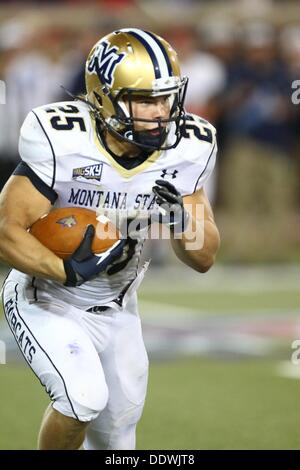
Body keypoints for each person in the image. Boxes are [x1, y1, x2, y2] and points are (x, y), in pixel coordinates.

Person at [0, 28, 220, 450]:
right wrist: (63, 269)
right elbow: (6, 229)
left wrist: (180, 221)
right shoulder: (62, 139)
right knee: (82, 399)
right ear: (104, 98)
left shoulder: (187, 148)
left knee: (117, 443)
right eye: (145, 100)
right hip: (46, 296)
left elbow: (204, 257)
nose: (161, 112)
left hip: (120, 306)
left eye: (166, 98)